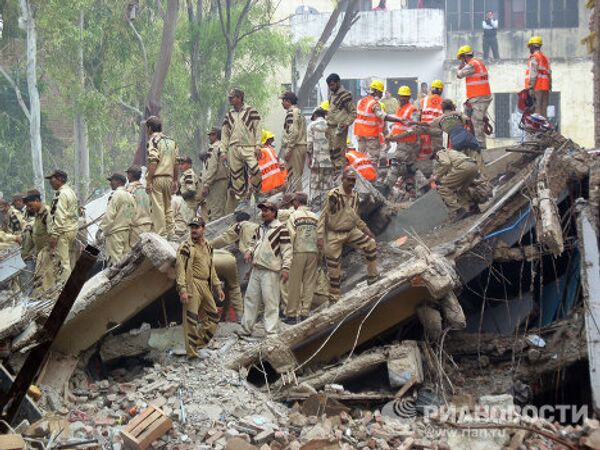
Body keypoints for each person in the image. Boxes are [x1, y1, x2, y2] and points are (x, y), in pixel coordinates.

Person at [317, 168, 378, 301]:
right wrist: (320, 236)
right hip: (334, 233)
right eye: (349, 180)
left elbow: (355, 217)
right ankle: (334, 297)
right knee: (334, 269)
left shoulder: (355, 195)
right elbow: (323, 216)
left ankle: (373, 276)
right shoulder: (334, 195)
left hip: (351, 231)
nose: (351, 182)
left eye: (353, 180)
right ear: (342, 179)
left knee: (370, 244)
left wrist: (367, 230)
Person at [175, 217, 225, 359]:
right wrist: (182, 289)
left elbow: (211, 268)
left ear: (203, 228)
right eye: (192, 228)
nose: (194, 230)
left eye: (197, 227)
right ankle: (192, 353)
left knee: (214, 317)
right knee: (191, 319)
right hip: (192, 285)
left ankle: (198, 343)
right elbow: (180, 270)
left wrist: (217, 287)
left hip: (205, 285)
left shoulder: (208, 246)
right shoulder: (185, 247)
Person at [241, 201, 292, 336]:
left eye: (266, 210)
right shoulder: (259, 228)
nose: (263, 213)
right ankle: (246, 328)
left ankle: (271, 332)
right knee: (250, 298)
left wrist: (286, 268)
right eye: (262, 210)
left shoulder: (281, 229)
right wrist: (249, 251)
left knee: (270, 301)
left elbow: (287, 250)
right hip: (257, 268)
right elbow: (253, 243)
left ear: (274, 212)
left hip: (271, 270)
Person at [221, 88, 262, 203]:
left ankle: (257, 192)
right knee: (236, 175)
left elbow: (258, 129)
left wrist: (258, 145)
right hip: (233, 147)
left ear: (239, 98)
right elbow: (224, 134)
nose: (230, 99)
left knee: (256, 170)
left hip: (249, 146)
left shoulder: (251, 111)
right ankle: (243, 199)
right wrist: (223, 151)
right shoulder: (228, 115)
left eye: (232, 97)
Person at [285, 192, 318, 323]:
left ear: (296, 203)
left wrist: (287, 255)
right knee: (309, 282)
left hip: (298, 252)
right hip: (313, 252)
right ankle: (305, 312)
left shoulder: (293, 216)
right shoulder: (315, 216)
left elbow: (291, 235)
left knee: (294, 283)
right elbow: (320, 235)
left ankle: (292, 315)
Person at [355, 80, 401, 169]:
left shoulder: (360, 101)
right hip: (370, 135)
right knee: (372, 159)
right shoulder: (374, 104)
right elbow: (382, 116)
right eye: (380, 92)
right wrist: (399, 120)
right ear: (376, 91)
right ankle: (371, 179)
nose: (381, 95)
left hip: (360, 134)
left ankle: (361, 177)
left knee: (361, 157)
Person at [145, 115, 179, 238]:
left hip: (157, 177)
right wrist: (175, 180)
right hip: (169, 177)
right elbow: (176, 163)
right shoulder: (172, 141)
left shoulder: (153, 141)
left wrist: (149, 181)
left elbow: (153, 162)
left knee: (158, 207)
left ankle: (162, 235)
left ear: (149, 128)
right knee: (168, 206)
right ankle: (171, 232)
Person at [384, 85, 421, 194]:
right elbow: (396, 126)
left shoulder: (412, 109)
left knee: (395, 166)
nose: (402, 98)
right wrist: (391, 135)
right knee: (411, 168)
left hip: (408, 143)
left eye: (405, 96)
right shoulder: (399, 108)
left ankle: (384, 190)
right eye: (401, 96)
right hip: (402, 142)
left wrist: (396, 137)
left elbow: (414, 129)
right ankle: (418, 189)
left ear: (409, 97)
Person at [456, 45, 492, 149]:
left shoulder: (472, 64)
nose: (462, 61)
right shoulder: (479, 63)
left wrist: (460, 66)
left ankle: (481, 146)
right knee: (476, 120)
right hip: (482, 97)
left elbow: (459, 75)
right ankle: (479, 144)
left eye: (461, 58)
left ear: (464, 56)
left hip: (478, 98)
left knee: (476, 121)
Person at [434, 148, 486, 220]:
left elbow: (446, 163)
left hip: (462, 168)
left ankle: (459, 210)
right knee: (461, 189)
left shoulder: (440, 153)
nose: (436, 159)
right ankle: (474, 207)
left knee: (442, 188)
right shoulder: (452, 152)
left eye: (434, 157)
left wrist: (437, 176)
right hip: (473, 165)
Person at [45, 169, 78, 281]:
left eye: (52, 179)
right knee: (68, 261)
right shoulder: (70, 192)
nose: (50, 182)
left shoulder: (61, 193)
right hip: (71, 230)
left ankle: (63, 288)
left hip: (63, 232)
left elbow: (59, 215)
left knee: (62, 263)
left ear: (59, 179)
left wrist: (54, 235)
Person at [22, 190, 56, 296]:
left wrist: (52, 250)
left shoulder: (46, 212)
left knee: (47, 277)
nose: (29, 208)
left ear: (37, 200)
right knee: (42, 277)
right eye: (28, 206)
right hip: (41, 252)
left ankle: (51, 295)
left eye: (30, 205)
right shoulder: (38, 215)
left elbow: (52, 233)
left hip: (48, 251)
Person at [98, 173, 135, 266]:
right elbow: (130, 215)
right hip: (126, 232)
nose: (110, 183)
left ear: (118, 182)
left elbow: (110, 214)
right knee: (124, 261)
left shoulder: (116, 194)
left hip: (115, 233)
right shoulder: (130, 196)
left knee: (114, 263)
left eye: (112, 181)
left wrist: (100, 229)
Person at [325, 73, 357, 169]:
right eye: (329, 86)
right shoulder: (331, 95)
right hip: (330, 128)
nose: (331, 87)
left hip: (339, 129)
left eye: (332, 85)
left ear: (338, 82)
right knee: (331, 155)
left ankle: (340, 179)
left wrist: (345, 124)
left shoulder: (345, 95)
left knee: (338, 155)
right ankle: (335, 179)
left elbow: (353, 113)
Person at [307, 103, 335, 210]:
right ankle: (327, 208)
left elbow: (309, 145)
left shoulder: (311, 125)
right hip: (329, 161)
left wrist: (309, 159)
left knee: (315, 186)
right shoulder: (330, 125)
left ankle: (314, 209)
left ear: (314, 115)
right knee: (328, 186)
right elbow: (334, 144)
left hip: (316, 162)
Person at [416, 79, 445, 178]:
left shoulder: (423, 101)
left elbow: (418, 116)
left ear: (431, 89)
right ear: (441, 90)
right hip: (436, 130)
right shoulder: (444, 102)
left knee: (423, 151)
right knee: (438, 153)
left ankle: (424, 175)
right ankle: (437, 176)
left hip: (424, 130)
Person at [280, 91, 307, 192]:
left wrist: (289, 150)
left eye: (283, 100)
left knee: (294, 176)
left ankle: (297, 202)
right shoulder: (299, 112)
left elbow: (293, 132)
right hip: (301, 146)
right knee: (296, 175)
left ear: (288, 101)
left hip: (295, 148)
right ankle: (294, 199)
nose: (282, 103)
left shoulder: (292, 113)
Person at [202, 127, 232, 221]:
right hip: (224, 181)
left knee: (215, 212)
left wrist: (206, 184)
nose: (209, 137)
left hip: (216, 182)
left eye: (211, 135)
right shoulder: (224, 147)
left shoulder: (214, 147)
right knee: (222, 210)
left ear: (216, 135)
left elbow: (212, 167)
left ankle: (216, 235)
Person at [214, 248, 244, 321]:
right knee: (233, 288)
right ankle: (240, 317)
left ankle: (205, 317)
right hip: (229, 259)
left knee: (203, 288)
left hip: (212, 259)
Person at [126, 165, 153, 246]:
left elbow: (128, 211)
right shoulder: (146, 190)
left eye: (128, 174)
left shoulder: (129, 190)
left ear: (130, 175)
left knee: (133, 255)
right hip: (148, 226)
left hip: (136, 227)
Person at [525, 36, 551, 118]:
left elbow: (533, 73)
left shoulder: (534, 57)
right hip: (545, 88)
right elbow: (549, 74)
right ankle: (544, 128)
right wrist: (549, 87)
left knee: (536, 109)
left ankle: (538, 129)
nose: (529, 49)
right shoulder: (545, 58)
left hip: (536, 87)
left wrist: (530, 87)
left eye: (530, 47)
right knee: (543, 110)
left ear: (533, 46)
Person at [258, 130, 287, 195]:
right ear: (267, 140)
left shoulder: (261, 151)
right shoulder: (270, 150)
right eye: (271, 139)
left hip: (266, 188)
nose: (273, 141)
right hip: (277, 184)